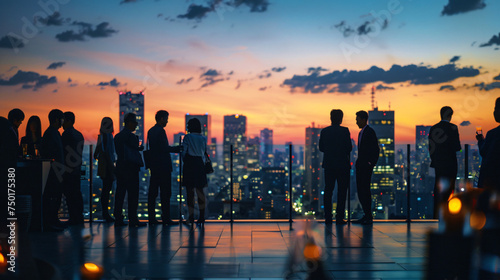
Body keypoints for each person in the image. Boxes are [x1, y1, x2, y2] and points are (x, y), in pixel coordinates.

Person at [147, 110, 181, 225]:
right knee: (165, 193)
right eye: (166, 118)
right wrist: (176, 149)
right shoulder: (161, 131)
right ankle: (166, 217)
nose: (167, 121)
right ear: (161, 119)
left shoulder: (151, 131)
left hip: (154, 165)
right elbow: (164, 148)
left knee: (153, 193)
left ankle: (152, 217)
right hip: (163, 166)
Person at [319, 109, 352, 225]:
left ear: (331, 118)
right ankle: (339, 217)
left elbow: (321, 148)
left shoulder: (325, 131)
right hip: (342, 164)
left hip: (329, 164)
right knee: (342, 191)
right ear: (341, 119)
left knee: (328, 190)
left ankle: (328, 217)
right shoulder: (345, 131)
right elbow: (349, 148)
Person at [428, 106, 461, 219]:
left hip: (439, 164)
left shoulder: (434, 128)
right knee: (450, 190)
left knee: (438, 190)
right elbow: (457, 147)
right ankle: (448, 215)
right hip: (451, 164)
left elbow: (430, 148)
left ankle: (436, 215)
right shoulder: (453, 128)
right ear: (450, 116)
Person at [114, 113, 146, 227]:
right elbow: (134, 148)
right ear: (129, 123)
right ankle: (133, 219)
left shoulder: (117, 136)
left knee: (120, 194)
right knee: (133, 195)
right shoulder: (131, 136)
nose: (136, 125)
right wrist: (139, 148)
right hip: (131, 168)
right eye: (135, 123)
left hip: (120, 167)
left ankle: (118, 218)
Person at [40, 109, 65, 231]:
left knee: (55, 196)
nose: (62, 122)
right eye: (61, 119)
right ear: (56, 119)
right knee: (52, 197)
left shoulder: (51, 133)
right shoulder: (51, 133)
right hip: (54, 171)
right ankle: (51, 222)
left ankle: (53, 220)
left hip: (56, 170)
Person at [352, 110, 379, 225]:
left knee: (365, 190)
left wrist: (370, 163)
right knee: (361, 190)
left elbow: (376, 149)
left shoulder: (369, 132)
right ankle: (366, 215)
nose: (356, 121)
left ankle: (368, 216)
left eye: (357, 119)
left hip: (365, 166)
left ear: (363, 119)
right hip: (361, 165)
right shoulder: (362, 132)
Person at [182, 118, 208, 227]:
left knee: (190, 192)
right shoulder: (203, 138)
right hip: (200, 164)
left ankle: (191, 217)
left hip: (190, 163)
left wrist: (186, 160)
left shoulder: (187, 137)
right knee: (200, 191)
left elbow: (184, 151)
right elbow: (203, 152)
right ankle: (201, 217)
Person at [61, 111, 85, 225]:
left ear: (69, 121)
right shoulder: (79, 134)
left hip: (68, 168)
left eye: (64, 120)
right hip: (77, 168)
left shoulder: (66, 134)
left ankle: (73, 218)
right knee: (76, 194)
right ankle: (78, 217)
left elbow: (64, 152)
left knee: (70, 195)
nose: (62, 124)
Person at [94, 117, 116, 222]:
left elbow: (96, 153)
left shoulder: (101, 136)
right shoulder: (108, 136)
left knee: (105, 190)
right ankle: (106, 213)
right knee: (107, 190)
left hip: (103, 166)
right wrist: (112, 167)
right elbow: (108, 153)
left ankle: (105, 212)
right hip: (108, 166)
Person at [476, 97, 500, 191]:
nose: (494, 113)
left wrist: (480, 140)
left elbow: (484, 151)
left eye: (495, 109)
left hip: (491, 182)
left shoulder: (493, 134)